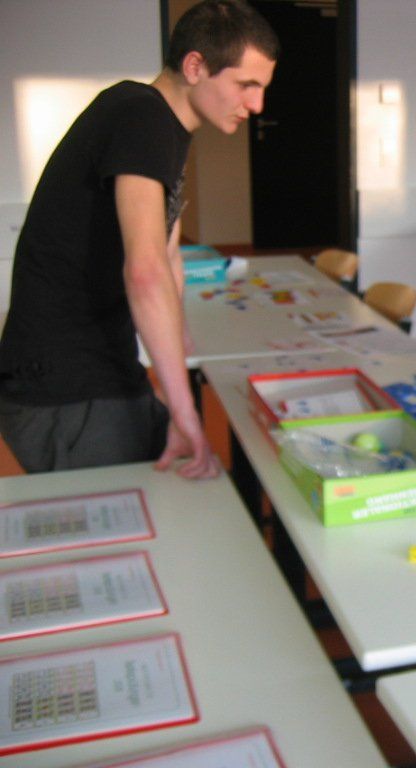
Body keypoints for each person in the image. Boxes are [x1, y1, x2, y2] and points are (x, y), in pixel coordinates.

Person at [0, 0, 278, 477]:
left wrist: (176, 363)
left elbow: (168, 255)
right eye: (246, 85)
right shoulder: (141, 118)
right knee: (160, 492)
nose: (257, 106)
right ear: (195, 66)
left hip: (100, 366)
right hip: (62, 387)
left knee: (178, 474)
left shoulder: (165, 125)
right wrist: (186, 411)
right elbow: (146, 270)